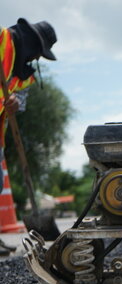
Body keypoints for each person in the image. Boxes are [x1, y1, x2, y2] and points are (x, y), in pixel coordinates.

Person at [0, 18, 57, 255]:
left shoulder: (24, 74)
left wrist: (14, 103)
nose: (35, 59)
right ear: (31, 43)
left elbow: (19, 101)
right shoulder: (2, 40)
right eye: (37, 53)